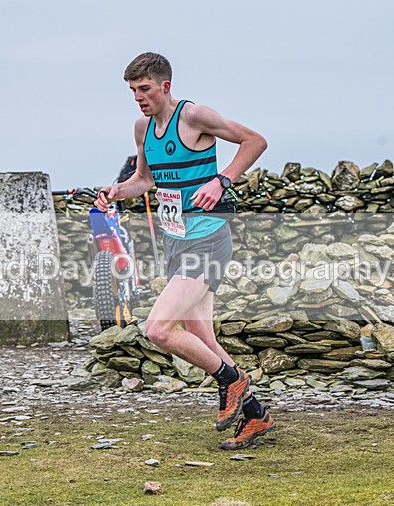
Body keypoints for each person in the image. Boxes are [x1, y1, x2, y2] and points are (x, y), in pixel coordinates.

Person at [96, 52, 274, 450]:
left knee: (158, 329)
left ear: (165, 86)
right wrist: (116, 191)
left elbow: (255, 141)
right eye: (132, 91)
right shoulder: (143, 128)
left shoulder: (193, 117)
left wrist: (221, 181)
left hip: (208, 239)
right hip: (177, 240)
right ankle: (256, 416)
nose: (138, 97)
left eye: (144, 89)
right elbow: (143, 180)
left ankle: (231, 381)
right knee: (200, 336)